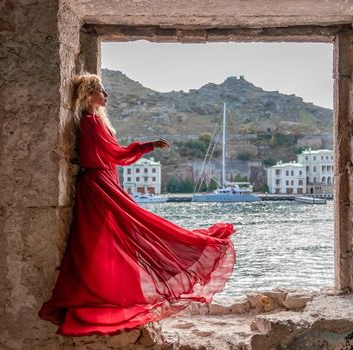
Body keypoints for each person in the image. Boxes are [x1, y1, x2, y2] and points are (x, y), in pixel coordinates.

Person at [38, 73, 236, 336]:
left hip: (99, 184)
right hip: (98, 186)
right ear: (88, 95)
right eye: (101, 91)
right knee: (124, 233)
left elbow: (115, 157)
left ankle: (102, 297)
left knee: (109, 240)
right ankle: (193, 248)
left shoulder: (94, 121)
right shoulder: (90, 122)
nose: (106, 96)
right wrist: (148, 145)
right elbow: (117, 155)